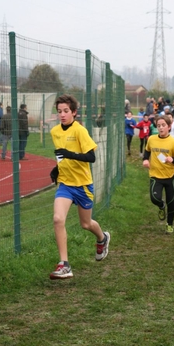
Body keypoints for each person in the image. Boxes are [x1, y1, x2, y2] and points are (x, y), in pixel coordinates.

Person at [49, 94, 110, 279]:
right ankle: (64, 264)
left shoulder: (80, 131)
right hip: (65, 184)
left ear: (74, 112)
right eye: (59, 111)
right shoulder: (55, 132)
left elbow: (91, 157)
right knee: (58, 219)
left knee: (86, 224)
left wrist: (69, 154)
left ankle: (102, 238)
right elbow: (61, 156)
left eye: (66, 111)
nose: (62, 114)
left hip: (83, 185)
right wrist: (56, 169)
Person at [142, 115, 174, 234]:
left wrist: (173, 160)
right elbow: (147, 152)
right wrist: (145, 160)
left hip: (170, 176)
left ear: (169, 127)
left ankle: (169, 224)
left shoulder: (173, 142)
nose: (160, 128)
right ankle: (161, 205)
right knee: (154, 198)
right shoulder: (151, 139)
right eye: (158, 125)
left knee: (172, 202)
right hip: (155, 175)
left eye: (163, 125)